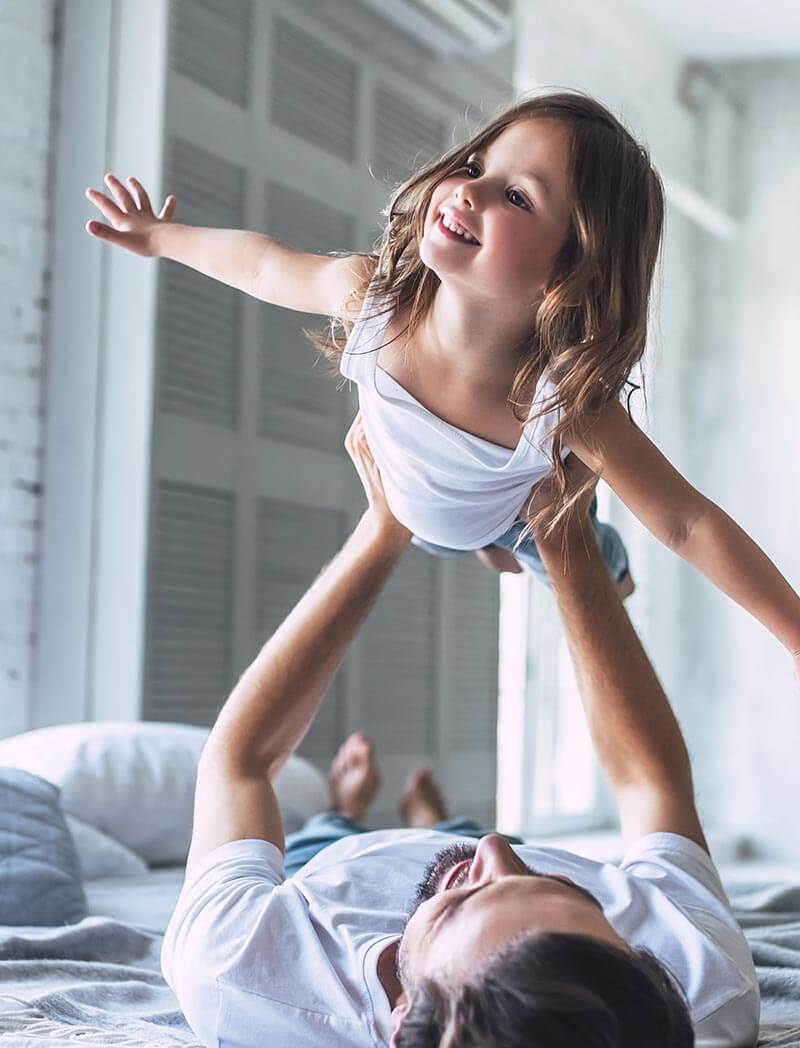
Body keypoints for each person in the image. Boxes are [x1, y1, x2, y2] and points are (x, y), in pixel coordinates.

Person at [85, 90, 800, 668]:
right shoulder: (373, 300)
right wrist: (161, 238)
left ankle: (590, 559)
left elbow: (687, 521)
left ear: (571, 275)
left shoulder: (563, 406)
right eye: (477, 166)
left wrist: (794, 633)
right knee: (443, 535)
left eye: (516, 197)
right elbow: (266, 263)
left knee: (568, 542)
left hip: (511, 518)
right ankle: (483, 544)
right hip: (414, 501)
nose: (468, 192)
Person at [160, 418, 760, 1047]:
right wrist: (567, 539)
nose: (494, 848)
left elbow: (241, 765)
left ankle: (352, 812)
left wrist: (383, 530)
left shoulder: (241, 969)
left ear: (401, 1023)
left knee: (326, 835)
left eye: (467, 902)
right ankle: (434, 825)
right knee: (464, 847)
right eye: (569, 898)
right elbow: (651, 785)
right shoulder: (702, 987)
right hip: (512, 875)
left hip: (327, 875)